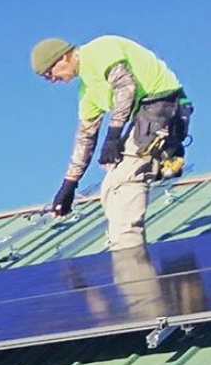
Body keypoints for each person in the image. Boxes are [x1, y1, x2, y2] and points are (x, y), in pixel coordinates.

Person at [30, 35, 192, 250]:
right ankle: (120, 244)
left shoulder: (99, 49)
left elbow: (126, 87)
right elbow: (86, 136)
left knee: (126, 179)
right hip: (143, 117)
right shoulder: (87, 90)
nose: (52, 80)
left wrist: (114, 135)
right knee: (109, 188)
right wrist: (69, 184)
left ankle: (129, 254)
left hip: (164, 105)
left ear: (62, 58)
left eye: (49, 74)